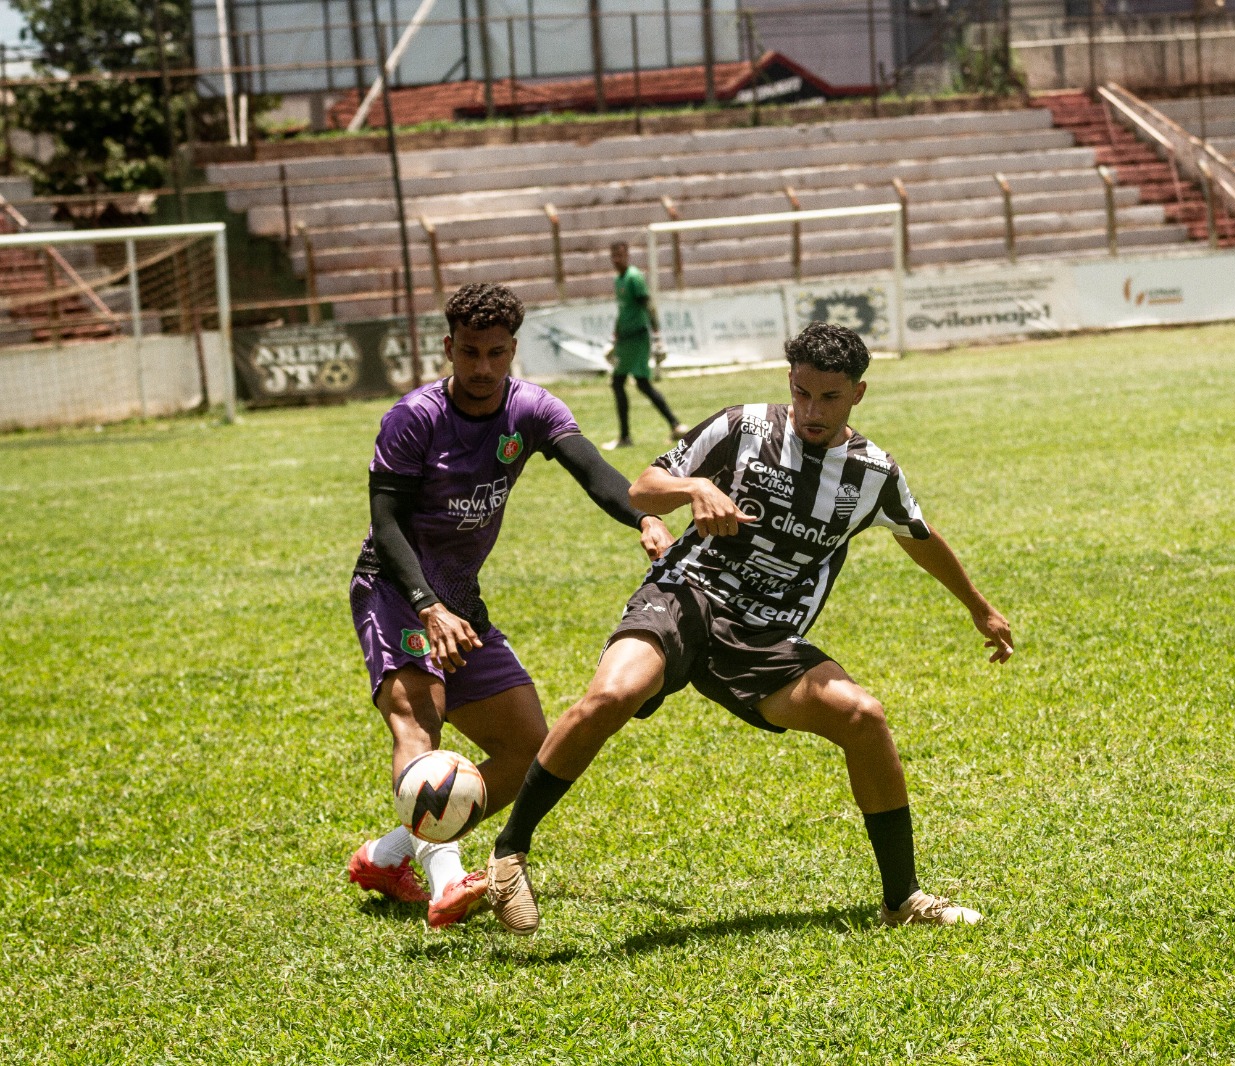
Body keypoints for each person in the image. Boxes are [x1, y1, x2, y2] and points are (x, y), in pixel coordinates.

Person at [484, 321, 1014, 935]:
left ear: (859, 394)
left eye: (830, 398)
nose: (812, 411)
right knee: (614, 694)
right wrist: (694, 486)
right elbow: (643, 490)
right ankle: (509, 852)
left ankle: (903, 900)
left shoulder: (873, 473)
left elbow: (918, 538)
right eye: (802, 393)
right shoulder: (740, 428)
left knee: (863, 718)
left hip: (764, 635)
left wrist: (979, 607)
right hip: (684, 594)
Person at [346, 282, 673, 929]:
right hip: (396, 591)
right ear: (449, 348)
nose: (483, 368)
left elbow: (596, 472)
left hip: (463, 603)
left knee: (530, 746)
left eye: (496, 353)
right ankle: (445, 878)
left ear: (513, 351)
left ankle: (387, 856)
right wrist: (428, 607)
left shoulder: (531, 410)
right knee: (421, 725)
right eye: (470, 352)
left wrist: (642, 519)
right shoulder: (413, 418)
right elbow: (385, 524)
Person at [604, 240, 688, 450]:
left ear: (627, 255)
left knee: (619, 382)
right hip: (626, 339)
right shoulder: (618, 280)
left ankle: (625, 437)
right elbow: (623, 310)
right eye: (613, 256)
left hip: (637, 338)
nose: (616, 260)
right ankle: (675, 425)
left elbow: (647, 305)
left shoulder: (633, 277)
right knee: (641, 384)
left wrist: (657, 334)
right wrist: (615, 335)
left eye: (620, 255)